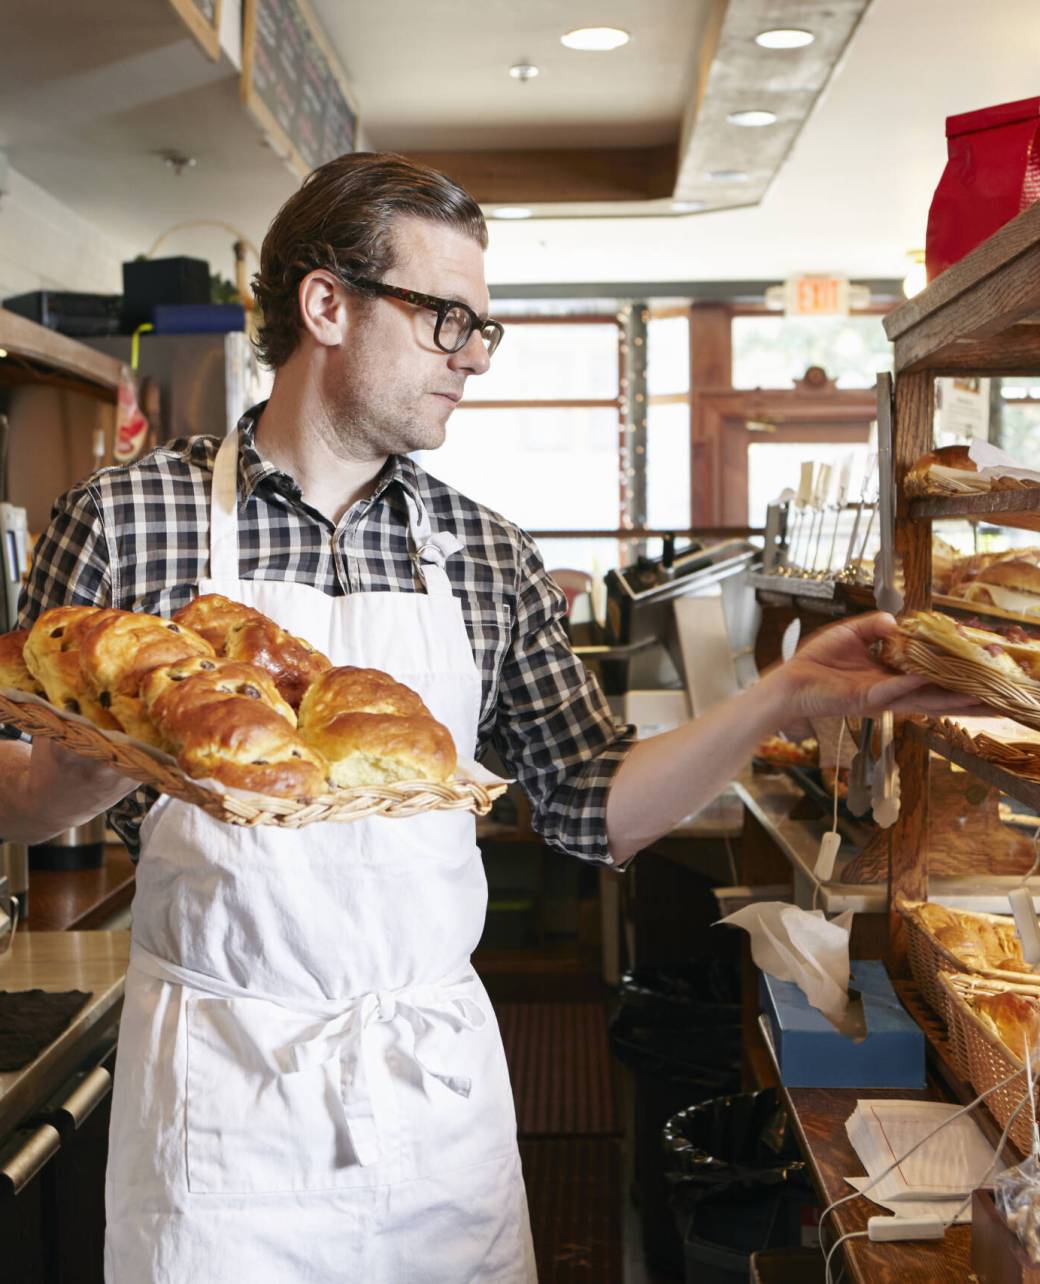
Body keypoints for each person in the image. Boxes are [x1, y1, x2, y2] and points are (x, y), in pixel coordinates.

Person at [0, 153, 973, 1283]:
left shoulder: (485, 554)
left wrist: (783, 697)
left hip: (434, 1105)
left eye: (483, 328)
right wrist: (146, 740)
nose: (471, 356)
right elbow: (18, 802)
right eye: (444, 319)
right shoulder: (127, 522)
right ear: (326, 305)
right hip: (221, 1099)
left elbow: (588, 807)